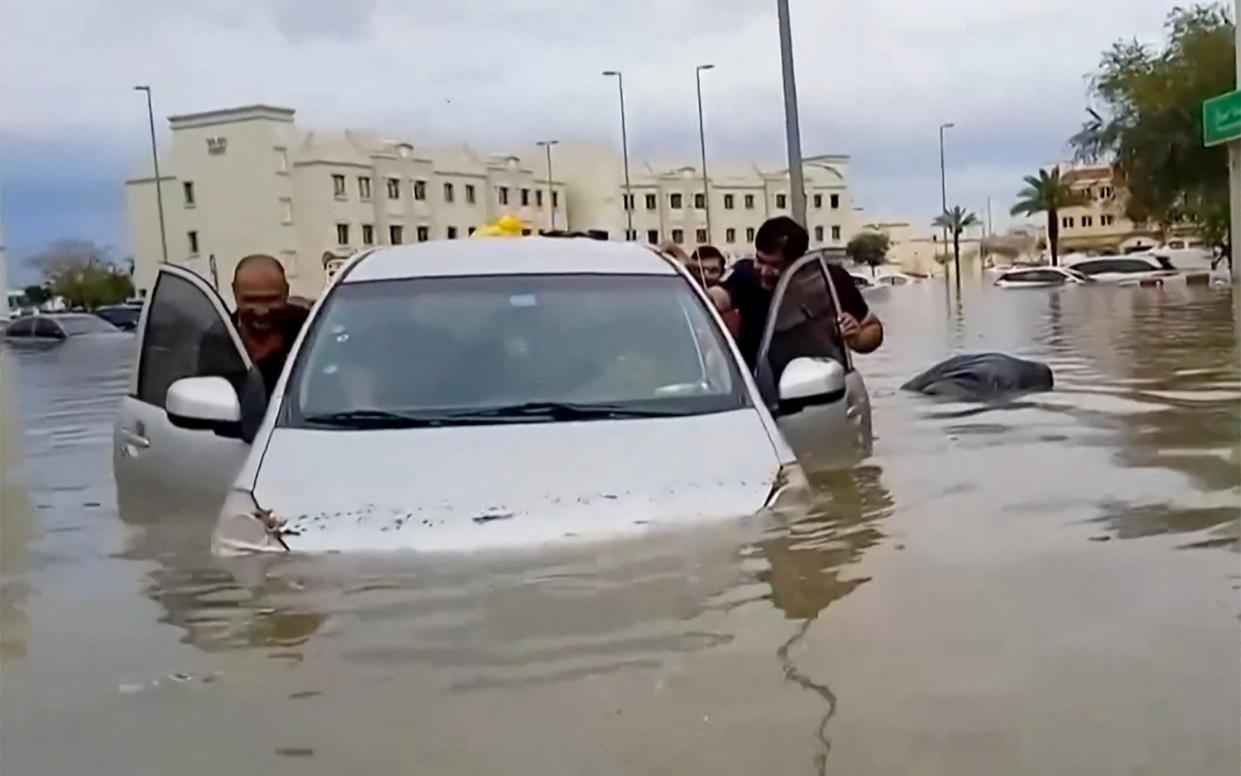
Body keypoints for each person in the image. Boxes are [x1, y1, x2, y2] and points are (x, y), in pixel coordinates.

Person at [709, 216, 883, 366]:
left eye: (775, 265)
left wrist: (856, 337)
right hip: (758, 387)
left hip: (820, 386)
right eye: (760, 260)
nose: (764, 271)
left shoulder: (830, 279)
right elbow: (718, 297)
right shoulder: (746, 275)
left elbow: (873, 329)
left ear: (797, 264)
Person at [228, 254, 309, 394]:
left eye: (271, 299)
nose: (262, 311)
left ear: (286, 292)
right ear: (235, 292)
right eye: (251, 300)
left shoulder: (310, 331)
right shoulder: (220, 339)